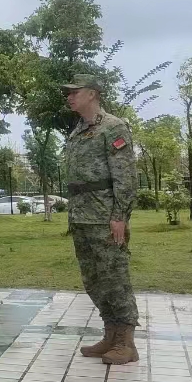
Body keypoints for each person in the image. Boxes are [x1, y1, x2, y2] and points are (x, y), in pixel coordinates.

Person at [62, 74, 139, 365]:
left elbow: (125, 176)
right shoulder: (78, 130)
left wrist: (120, 216)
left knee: (115, 279)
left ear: (92, 94)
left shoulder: (113, 127)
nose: (69, 97)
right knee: (93, 280)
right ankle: (110, 335)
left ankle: (126, 343)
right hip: (81, 216)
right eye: (68, 93)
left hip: (104, 217)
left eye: (74, 92)